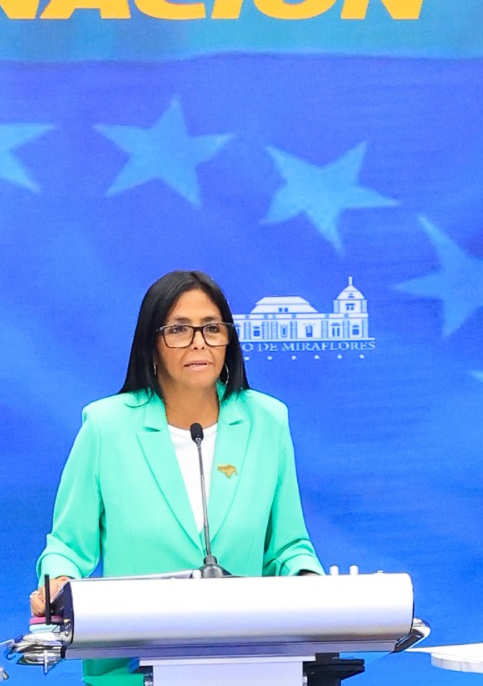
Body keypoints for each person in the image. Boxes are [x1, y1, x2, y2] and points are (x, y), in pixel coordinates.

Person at [31, 270, 322, 685]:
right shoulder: (106, 427)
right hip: (130, 669)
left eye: (211, 328)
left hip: (249, 664)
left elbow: (288, 546)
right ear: (151, 343)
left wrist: (311, 584)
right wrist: (58, 584)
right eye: (179, 330)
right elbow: (67, 547)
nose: (199, 342)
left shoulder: (266, 421)